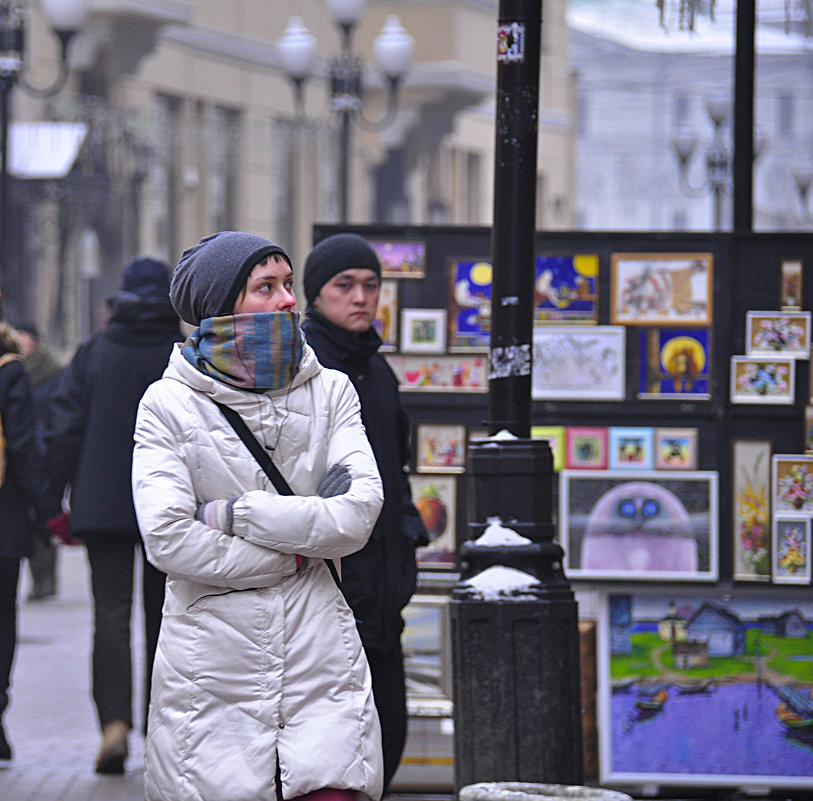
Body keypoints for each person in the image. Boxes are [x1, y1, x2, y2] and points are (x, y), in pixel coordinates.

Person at [131, 231, 385, 801]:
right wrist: (299, 550)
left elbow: (357, 515)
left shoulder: (332, 392)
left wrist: (231, 514)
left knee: (332, 788)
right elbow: (169, 538)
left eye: (289, 284)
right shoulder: (168, 404)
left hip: (320, 650)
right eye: (265, 287)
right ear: (222, 306)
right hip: (211, 665)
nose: (288, 300)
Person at [302, 233, 428, 792]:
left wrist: (404, 547)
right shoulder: (304, 372)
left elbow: (394, 479)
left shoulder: (377, 373)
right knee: (333, 745)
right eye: (344, 286)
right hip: (330, 586)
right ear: (315, 296)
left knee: (389, 732)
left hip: (383, 586)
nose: (360, 297)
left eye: (371, 285)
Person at [44, 257, 181, 774]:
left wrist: (52, 497)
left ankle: (114, 726)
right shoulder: (181, 354)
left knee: (110, 614)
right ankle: (161, 726)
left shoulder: (95, 351)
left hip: (103, 504)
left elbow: (64, 428)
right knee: (167, 618)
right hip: (170, 506)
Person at [0, 320, 58, 763]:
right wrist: (48, 512)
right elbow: (23, 446)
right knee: (2, 619)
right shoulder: (10, 371)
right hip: (4, 519)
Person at [14, 322, 64, 601]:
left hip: (44, 449)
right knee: (29, 517)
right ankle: (37, 578)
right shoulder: (12, 370)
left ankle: (46, 577)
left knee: (43, 516)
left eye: (27, 338)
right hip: (22, 450)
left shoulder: (53, 372)